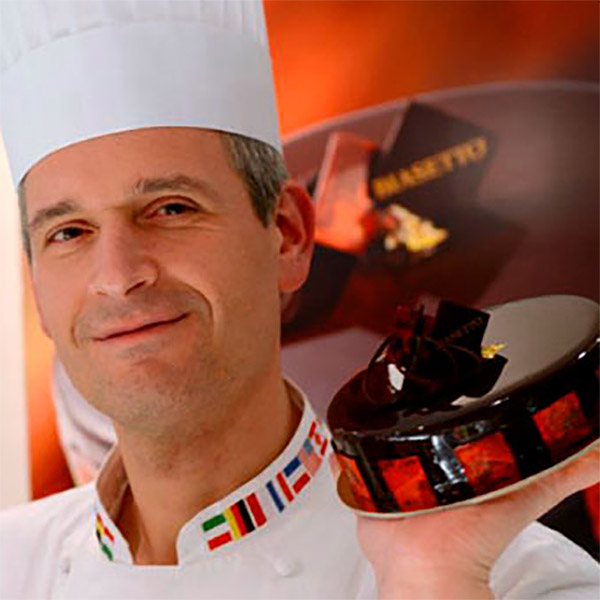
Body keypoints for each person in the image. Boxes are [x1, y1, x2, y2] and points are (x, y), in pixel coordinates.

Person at [0, 1, 598, 598]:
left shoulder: (506, 577)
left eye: (171, 208)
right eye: (68, 233)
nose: (117, 275)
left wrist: (432, 578)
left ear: (287, 235)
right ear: (38, 292)